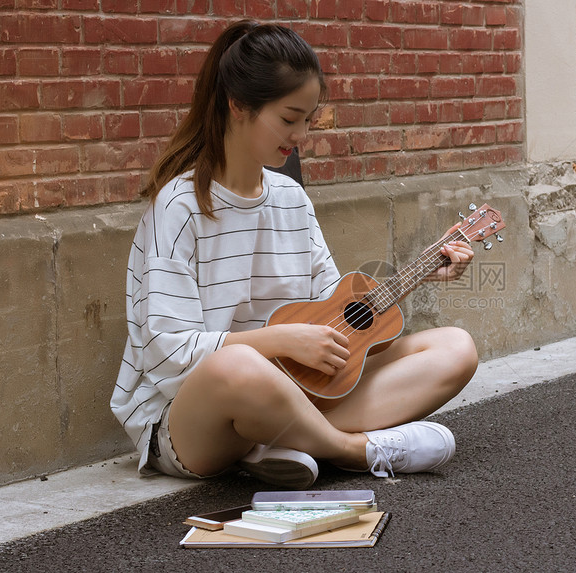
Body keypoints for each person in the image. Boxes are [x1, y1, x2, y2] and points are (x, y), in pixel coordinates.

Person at [110, 20, 478, 488]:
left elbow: (333, 312)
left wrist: (422, 273)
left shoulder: (291, 199)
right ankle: (355, 450)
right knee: (236, 367)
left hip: (296, 387)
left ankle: (285, 446)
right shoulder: (180, 208)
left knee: (454, 348)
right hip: (192, 418)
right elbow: (169, 356)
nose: (301, 133)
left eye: (309, 118)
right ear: (238, 106)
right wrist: (281, 343)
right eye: (289, 118)